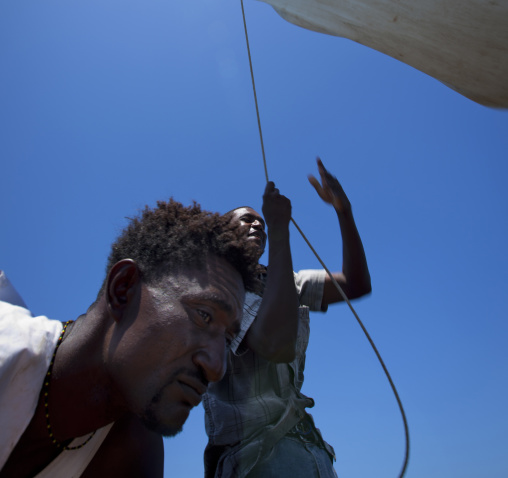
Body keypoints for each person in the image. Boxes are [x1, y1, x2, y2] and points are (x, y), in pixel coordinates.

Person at [0, 198, 260, 478]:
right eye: (204, 315)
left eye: (227, 339)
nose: (217, 368)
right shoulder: (9, 346)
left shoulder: (133, 456)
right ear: (123, 289)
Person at [203, 159, 372, 478]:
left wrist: (343, 211)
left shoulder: (284, 281)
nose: (258, 226)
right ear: (222, 235)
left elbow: (357, 283)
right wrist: (279, 227)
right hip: (254, 457)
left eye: (262, 225)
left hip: (311, 451)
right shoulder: (216, 287)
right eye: (248, 220)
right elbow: (276, 344)